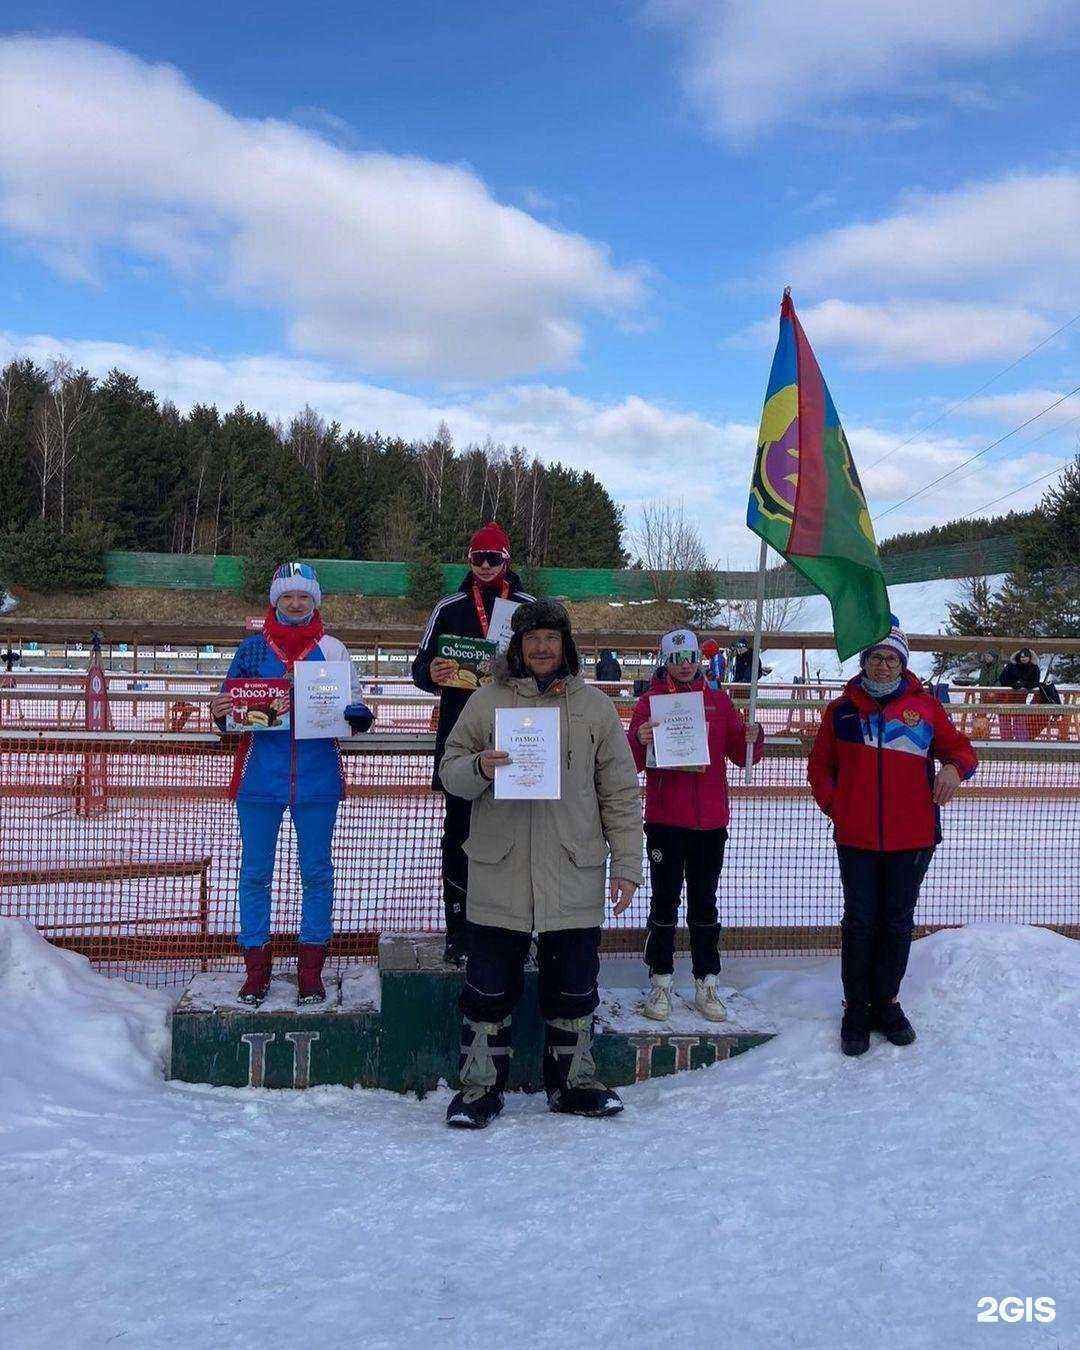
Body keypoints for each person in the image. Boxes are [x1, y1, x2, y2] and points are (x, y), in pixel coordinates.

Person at [439, 598, 643, 1128]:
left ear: (565, 645)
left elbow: (620, 791)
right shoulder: (486, 702)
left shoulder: (595, 707)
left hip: (572, 869)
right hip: (499, 869)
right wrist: (480, 766)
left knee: (575, 985)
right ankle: (480, 1087)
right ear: (519, 645)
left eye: (551, 638)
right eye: (533, 639)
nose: (542, 647)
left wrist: (626, 863)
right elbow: (450, 772)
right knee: (486, 988)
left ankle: (574, 1082)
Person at [808, 624, 978, 1056]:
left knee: (897, 922)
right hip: (857, 839)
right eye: (876, 657)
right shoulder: (842, 711)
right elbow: (819, 769)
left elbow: (962, 750)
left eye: (892, 659)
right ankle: (856, 1008)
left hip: (913, 837)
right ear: (864, 661)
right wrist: (838, 807)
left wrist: (953, 769)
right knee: (862, 922)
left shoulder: (924, 708)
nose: (884, 665)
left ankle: (887, 1002)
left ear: (903, 664)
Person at [211, 563, 373, 1006]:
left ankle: (310, 971)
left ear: (315, 600)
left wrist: (359, 715)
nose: (296, 603)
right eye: (288, 596)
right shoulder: (250, 649)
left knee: (317, 873)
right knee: (255, 873)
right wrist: (220, 710)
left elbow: (353, 703)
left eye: (304, 596)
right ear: (275, 600)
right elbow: (230, 710)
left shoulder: (333, 649)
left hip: (318, 776)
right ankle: (255, 968)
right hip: (260, 776)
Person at [412, 523, 534, 966]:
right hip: (461, 742)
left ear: (507, 560)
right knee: (459, 837)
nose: (485, 566)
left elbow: (555, 662)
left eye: (493, 558)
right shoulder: (450, 607)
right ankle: (458, 929)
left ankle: (515, 928)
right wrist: (433, 675)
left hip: (519, 739)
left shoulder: (528, 608)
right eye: (477, 558)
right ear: (469, 560)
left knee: (518, 836)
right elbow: (420, 666)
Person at [628, 629, 763, 1022]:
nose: (684, 664)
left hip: (709, 821)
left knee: (705, 903)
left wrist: (754, 737)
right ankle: (661, 978)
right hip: (665, 820)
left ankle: (707, 980)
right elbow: (631, 760)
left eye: (689, 656)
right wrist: (639, 737)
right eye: (676, 658)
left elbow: (741, 754)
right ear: (665, 661)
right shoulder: (650, 703)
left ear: (698, 660)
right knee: (664, 900)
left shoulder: (718, 701)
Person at [998, 647, 1041, 741]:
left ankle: (1021, 741)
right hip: (1006, 698)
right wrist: (1013, 684)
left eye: (1026, 656)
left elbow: (1035, 682)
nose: (1024, 658)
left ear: (1030, 657)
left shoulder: (1033, 667)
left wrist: (1025, 684)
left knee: (1020, 721)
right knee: (1005, 720)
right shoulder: (1011, 666)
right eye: (1022, 657)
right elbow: (1002, 679)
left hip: (1020, 699)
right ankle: (1005, 741)